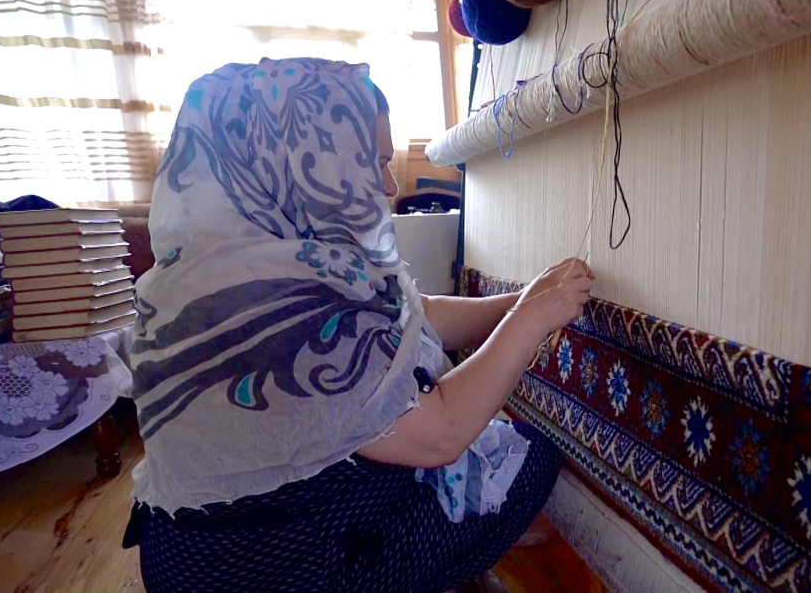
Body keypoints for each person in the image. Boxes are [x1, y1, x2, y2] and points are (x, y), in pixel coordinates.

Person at [122, 58, 595, 592]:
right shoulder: (279, 305)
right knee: (524, 458)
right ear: (308, 166)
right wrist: (532, 318)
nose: (390, 185)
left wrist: (521, 300)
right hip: (248, 568)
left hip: (202, 545)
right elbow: (440, 435)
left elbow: (415, 315)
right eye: (375, 163)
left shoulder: (228, 267)